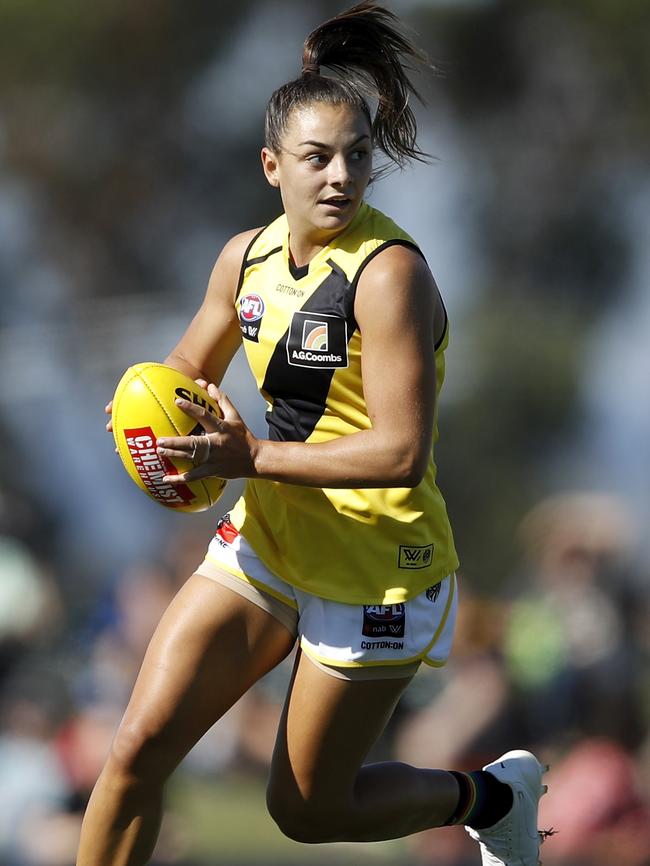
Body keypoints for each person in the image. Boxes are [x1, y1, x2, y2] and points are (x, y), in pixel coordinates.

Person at [80, 3, 549, 864]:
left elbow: (402, 455)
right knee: (136, 751)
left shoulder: (389, 274)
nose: (340, 176)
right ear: (271, 166)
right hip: (270, 539)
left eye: (356, 155)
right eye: (316, 157)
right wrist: (142, 404)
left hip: (378, 566)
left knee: (306, 810)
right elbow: (186, 370)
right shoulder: (244, 260)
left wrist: (249, 456)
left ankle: (493, 795)